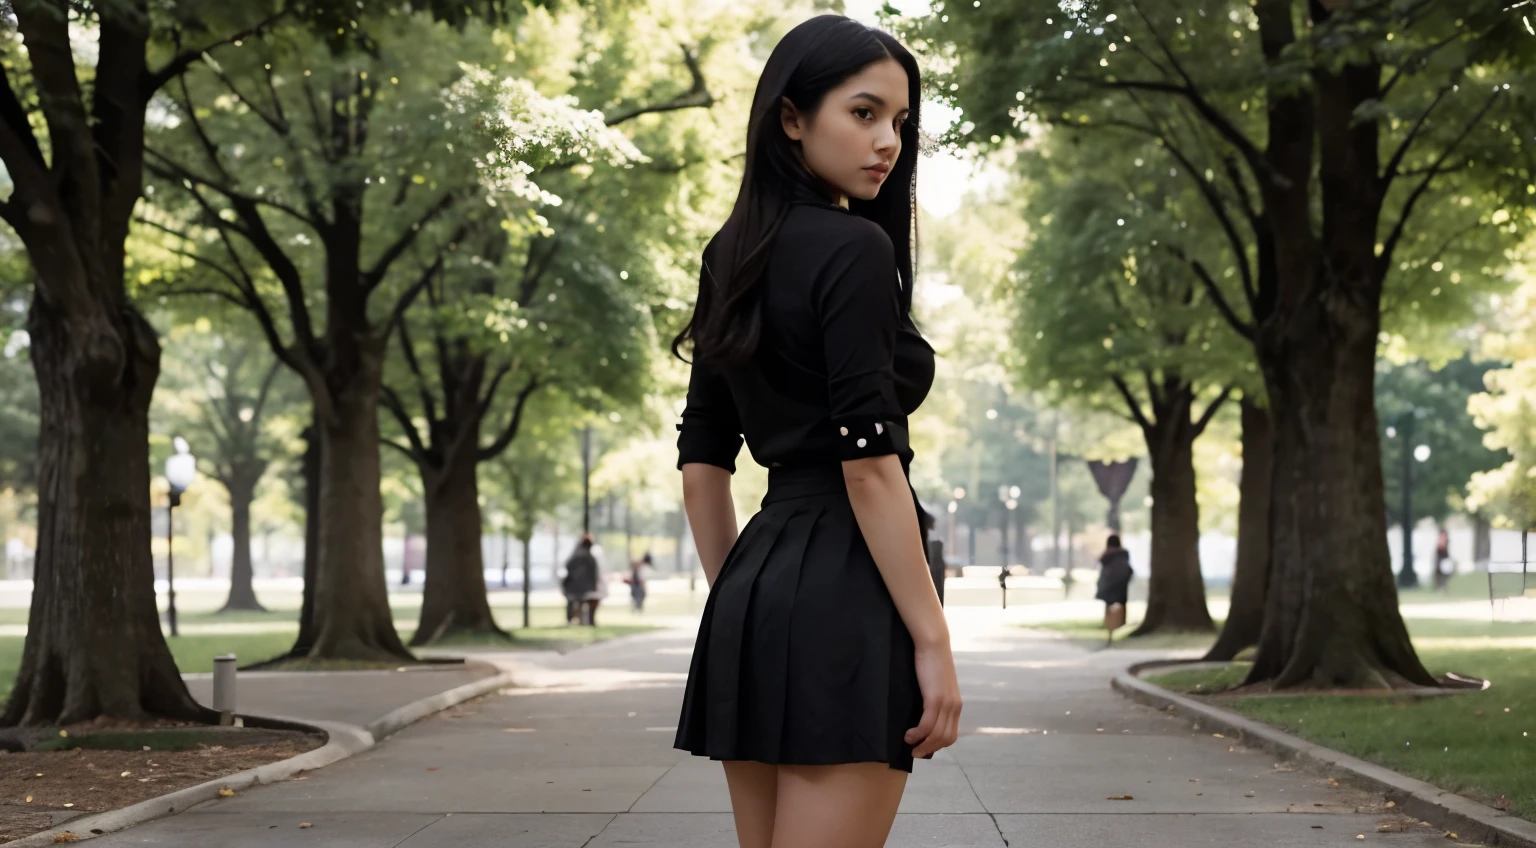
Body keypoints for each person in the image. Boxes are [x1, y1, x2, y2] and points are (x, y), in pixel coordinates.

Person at [671, 16, 960, 848]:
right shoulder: (854, 251)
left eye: (901, 123)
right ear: (791, 117)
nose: (889, 142)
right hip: (844, 586)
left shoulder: (731, 254)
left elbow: (702, 462)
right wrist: (933, 640)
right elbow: (868, 467)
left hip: (753, 584)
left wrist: (743, 602)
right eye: (864, 114)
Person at [1096, 535, 1133, 647]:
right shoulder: (1122, 556)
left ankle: (1111, 635)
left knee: (1110, 613)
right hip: (1120, 589)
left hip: (1109, 589)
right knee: (1119, 613)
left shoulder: (1108, 557)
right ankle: (1112, 635)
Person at [562, 536, 599, 626]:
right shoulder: (589, 557)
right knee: (582, 603)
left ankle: (573, 620)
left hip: (574, 584)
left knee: (573, 603)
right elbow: (594, 573)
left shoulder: (576, 555)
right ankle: (584, 621)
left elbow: (567, 566)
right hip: (582, 586)